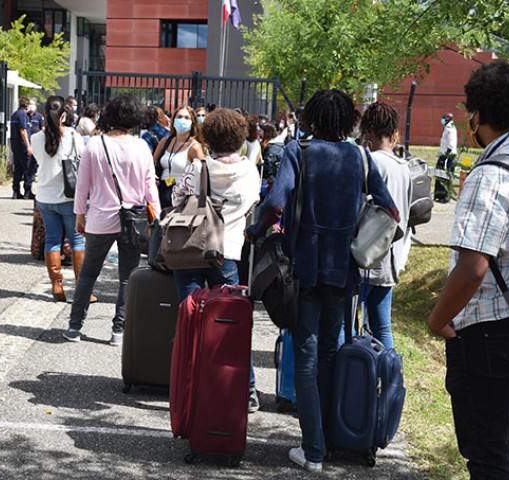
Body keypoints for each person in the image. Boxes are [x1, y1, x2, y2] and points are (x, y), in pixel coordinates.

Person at [246, 89, 399, 473]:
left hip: (304, 270)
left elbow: (276, 203)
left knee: (307, 355)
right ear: (349, 121)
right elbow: (390, 208)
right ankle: (329, 440)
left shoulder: (299, 151)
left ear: (313, 118)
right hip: (344, 270)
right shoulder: (360, 156)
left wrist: (256, 229)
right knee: (331, 352)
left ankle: (313, 448)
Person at [427, 60, 509, 480]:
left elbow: (472, 267)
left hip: (487, 329)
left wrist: (438, 319)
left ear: (478, 114)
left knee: (487, 452)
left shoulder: (489, 173)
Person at [171, 107, 261, 413]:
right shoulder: (249, 172)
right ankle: (246, 388)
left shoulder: (199, 168)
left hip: (192, 248)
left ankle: (189, 386)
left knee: (190, 320)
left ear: (207, 137)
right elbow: (253, 203)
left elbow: (177, 198)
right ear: (240, 138)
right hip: (228, 252)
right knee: (231, 323)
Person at [63, 94, 160, 346]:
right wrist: (157, 217)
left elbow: (82, 185)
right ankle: (119, 331)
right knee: (127, 277)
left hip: (100, 217)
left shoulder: (95, 145)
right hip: (133, 220)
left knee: (88, 274)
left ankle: (74, 327)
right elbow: (150, 186)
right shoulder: (141, 146)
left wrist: (80, 215)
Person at [355, 102, 413, 350]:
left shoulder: (370, 161)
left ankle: (351, 370)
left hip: (366, 256)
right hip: (391, 258)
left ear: (368, 130)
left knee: (347, 321)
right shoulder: (403, 166)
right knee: (382, 327)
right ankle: (390, 372)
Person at [31, 98, 92, 303]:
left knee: (52, 241)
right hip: (69, 197)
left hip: (44, 197)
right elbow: (83, 161)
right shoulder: (73, 136)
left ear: (44, 114)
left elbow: (40, 160)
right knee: (77, 241)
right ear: (64, 115)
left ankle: (57, 286)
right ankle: (82, 290)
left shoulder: (35, 138)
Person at [151, 105, 205, 209]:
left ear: (192, 123)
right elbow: (151, 163)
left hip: (182, 196)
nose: (182, 120)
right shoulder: (165, 142)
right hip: (162, 190)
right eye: (179, 117)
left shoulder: (194, 147)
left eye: (186, 118)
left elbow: (202, 175)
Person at [10, 96, 33, 199]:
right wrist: (28, 146)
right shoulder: (23, 114)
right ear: (27, 105)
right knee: (28, 168)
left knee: (18, 168)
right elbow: (23, 130)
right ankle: (27, 192)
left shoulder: (15, 114)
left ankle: (16, 191)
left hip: (15, 144)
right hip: (22, 144)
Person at [434, 112, 457, 203]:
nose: (442, 119)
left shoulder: (449, 128)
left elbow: (451, 141)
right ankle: (440, 195)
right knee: (441, 174)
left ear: (448, 119)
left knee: (444, 175)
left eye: (444, 118)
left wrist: (447, 152)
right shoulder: (448, 127)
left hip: (447, 155)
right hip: (446, 154)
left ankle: (444, 196)